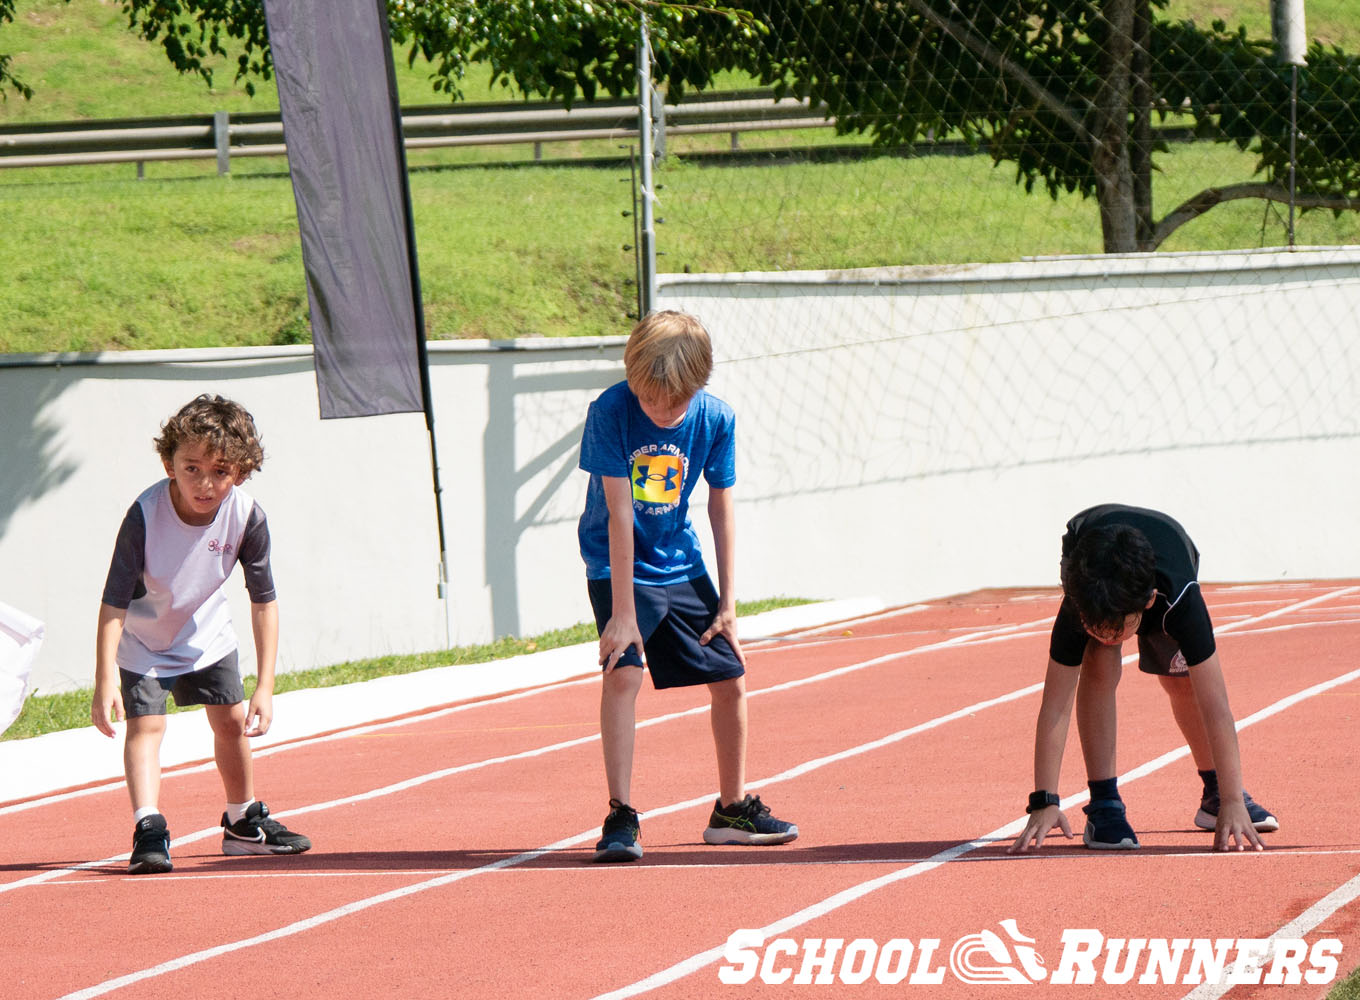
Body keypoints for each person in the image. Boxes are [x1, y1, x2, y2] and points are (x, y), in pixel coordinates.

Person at [577, 310, 799, 863]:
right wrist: (623, 613)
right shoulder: (610, 411)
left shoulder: (715, 418)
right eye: (649, 399)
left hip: (681, 561)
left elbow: (720, 503)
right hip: (617, 563)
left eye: (672, 402)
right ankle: (621, 814)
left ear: (698, 385)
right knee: (624, 673)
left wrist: (727, 603)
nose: (659, 410)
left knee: (730, 679)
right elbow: (619, 512)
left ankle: (730, 808)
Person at [91, 394, 310, 874]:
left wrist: (266, 687)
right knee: (146, 726)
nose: (204, 483)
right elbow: (113, 601)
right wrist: (105, 675)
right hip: (144, 639)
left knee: (231, 722)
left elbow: (263, 601)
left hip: (205, 631)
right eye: (191, 468)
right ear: (169, 463)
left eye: (220, 471)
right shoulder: (144, 515)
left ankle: (242, 822)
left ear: (243, 471)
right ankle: (149, 827)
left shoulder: (246, 516)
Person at [1010, 503, 1277, 855]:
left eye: (1117, 630)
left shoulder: (1181, 600)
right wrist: (1044, 800)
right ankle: (1104, 804)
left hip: (1169, 549)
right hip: (1088, 555)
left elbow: (1216, 706)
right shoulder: (1080, 603)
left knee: (1181, 680)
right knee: (1101, 659)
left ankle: (1214, 794)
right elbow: (1055, 703)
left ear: (1149, 603)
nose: (1108, 635)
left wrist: (1232, 799)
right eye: (1096, 628)